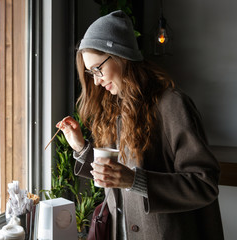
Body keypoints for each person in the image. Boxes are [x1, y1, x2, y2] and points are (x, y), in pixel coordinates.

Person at [56, 10, 224, 240]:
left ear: (120, 56)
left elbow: (205, 184)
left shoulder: (172, 105)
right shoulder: (113, 108)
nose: (95, 80)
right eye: (90, 72)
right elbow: (114, 178)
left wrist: (136, 180)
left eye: (98, 69)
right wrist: (81, 148)